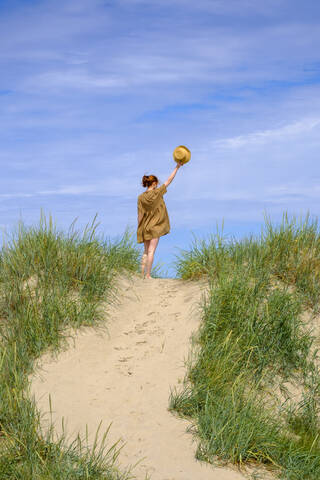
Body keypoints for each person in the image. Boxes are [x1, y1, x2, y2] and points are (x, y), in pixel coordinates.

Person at [137, 162, 183, 279]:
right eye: (157, 183)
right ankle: (148, 275)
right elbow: (169, 181)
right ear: (154, 183)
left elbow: (140, 215)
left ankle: (141, 274)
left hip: (145, 227)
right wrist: (177, 167)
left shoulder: (141, 197)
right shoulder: (157, 192)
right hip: (155, 227)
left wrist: (139, 228)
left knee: (145, 252)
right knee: (152, 251)